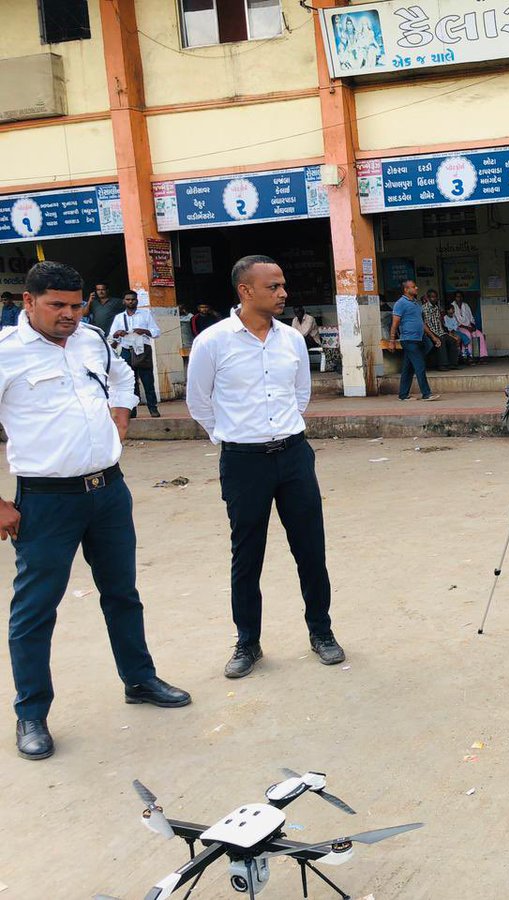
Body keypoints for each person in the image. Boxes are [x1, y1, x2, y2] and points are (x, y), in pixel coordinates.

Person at [0, 262, 190, 760]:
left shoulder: (91, 340)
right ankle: (32, 714)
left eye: (75, 304)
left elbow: (122, 374)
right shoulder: (5, 354)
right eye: (56, 305)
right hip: (45, 500)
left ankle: (140, 680)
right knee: (35, 610)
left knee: (122, 594)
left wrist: (123, 410)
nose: (69, 315)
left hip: (108, 492)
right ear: (29, 302)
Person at [186, 255, 345, 679]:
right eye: (273, 286)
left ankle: (322, 633)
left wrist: (281, 432)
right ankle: (248, 643)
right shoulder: (213, 342)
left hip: (294, 456)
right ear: (245, 291)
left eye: (282, 285)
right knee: (247, 555)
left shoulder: (290, 340)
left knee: (311, 550)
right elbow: (199, 402)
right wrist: (231, 437)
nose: (283, 293)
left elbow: (300, 394)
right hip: (243, 462)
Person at [108, 291, 161, 418]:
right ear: (124, 301)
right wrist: (117, 334)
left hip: (142, 350)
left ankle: (153, 408)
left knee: (147, 380)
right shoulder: (119, 317)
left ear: (137, 301)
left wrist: (144, 331)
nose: (130, 301)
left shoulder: (145, 314)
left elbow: (156, 332)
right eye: (128, 299)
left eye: (133, 299)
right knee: (130, 381)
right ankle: (132, 410)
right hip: (126, 350)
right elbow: (112, 336)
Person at [389, 279, 439, 401]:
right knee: (420, 366)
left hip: (419, 338)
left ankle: (403, 395)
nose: (416, 288)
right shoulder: (400, 303)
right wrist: (392, 340)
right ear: (406, 289)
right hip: (408, 339)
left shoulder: (416, 304)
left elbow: (422, 323)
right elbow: (395, 323)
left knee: (408, 368)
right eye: (413, 287)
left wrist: (433, 337)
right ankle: (426, 393)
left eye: (416, 286)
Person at [421, 290, 460, 370]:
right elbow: (426, 324)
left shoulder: (436, 307)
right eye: (432, 297)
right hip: (430, 332)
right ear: (428, 298)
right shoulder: (424, 308)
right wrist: (435, 336)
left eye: (435, 297)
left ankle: (453, 364)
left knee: (452, 340)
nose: (434, 299)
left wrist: (447, 333)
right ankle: (442, 365)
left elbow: (439, 322)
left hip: (439, 331)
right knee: (441, 340)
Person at [451, 291, 488, 358]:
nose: (459, 298)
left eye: (461, 297)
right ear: (455, 298)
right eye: (457, 297)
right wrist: (467, 328)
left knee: (479, 334)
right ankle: (468, 356)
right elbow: (454, 322)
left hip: (469, 326)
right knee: (467, 334)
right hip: (459, 327)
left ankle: (481, 355)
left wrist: (473, 326)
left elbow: (471, 317)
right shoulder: (452, 306)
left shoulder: (466, 305)